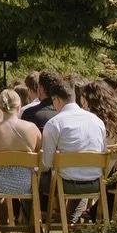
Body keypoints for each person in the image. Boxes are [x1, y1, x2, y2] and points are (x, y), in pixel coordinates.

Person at [40, 75, 107, 209]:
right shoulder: (97, 121)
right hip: (95, 182)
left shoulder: (54, 124)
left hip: (65, 184)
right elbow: (103, 151)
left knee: (35, 178)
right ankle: (69, 217)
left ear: (56, 100)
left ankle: (38, 219)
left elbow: (46, 164)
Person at [0, 89, 42, 203]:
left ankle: (1, 219)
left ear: (0, 107)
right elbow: (40, 157)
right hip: (27, 184)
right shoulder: (32, 128)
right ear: (19, 107)